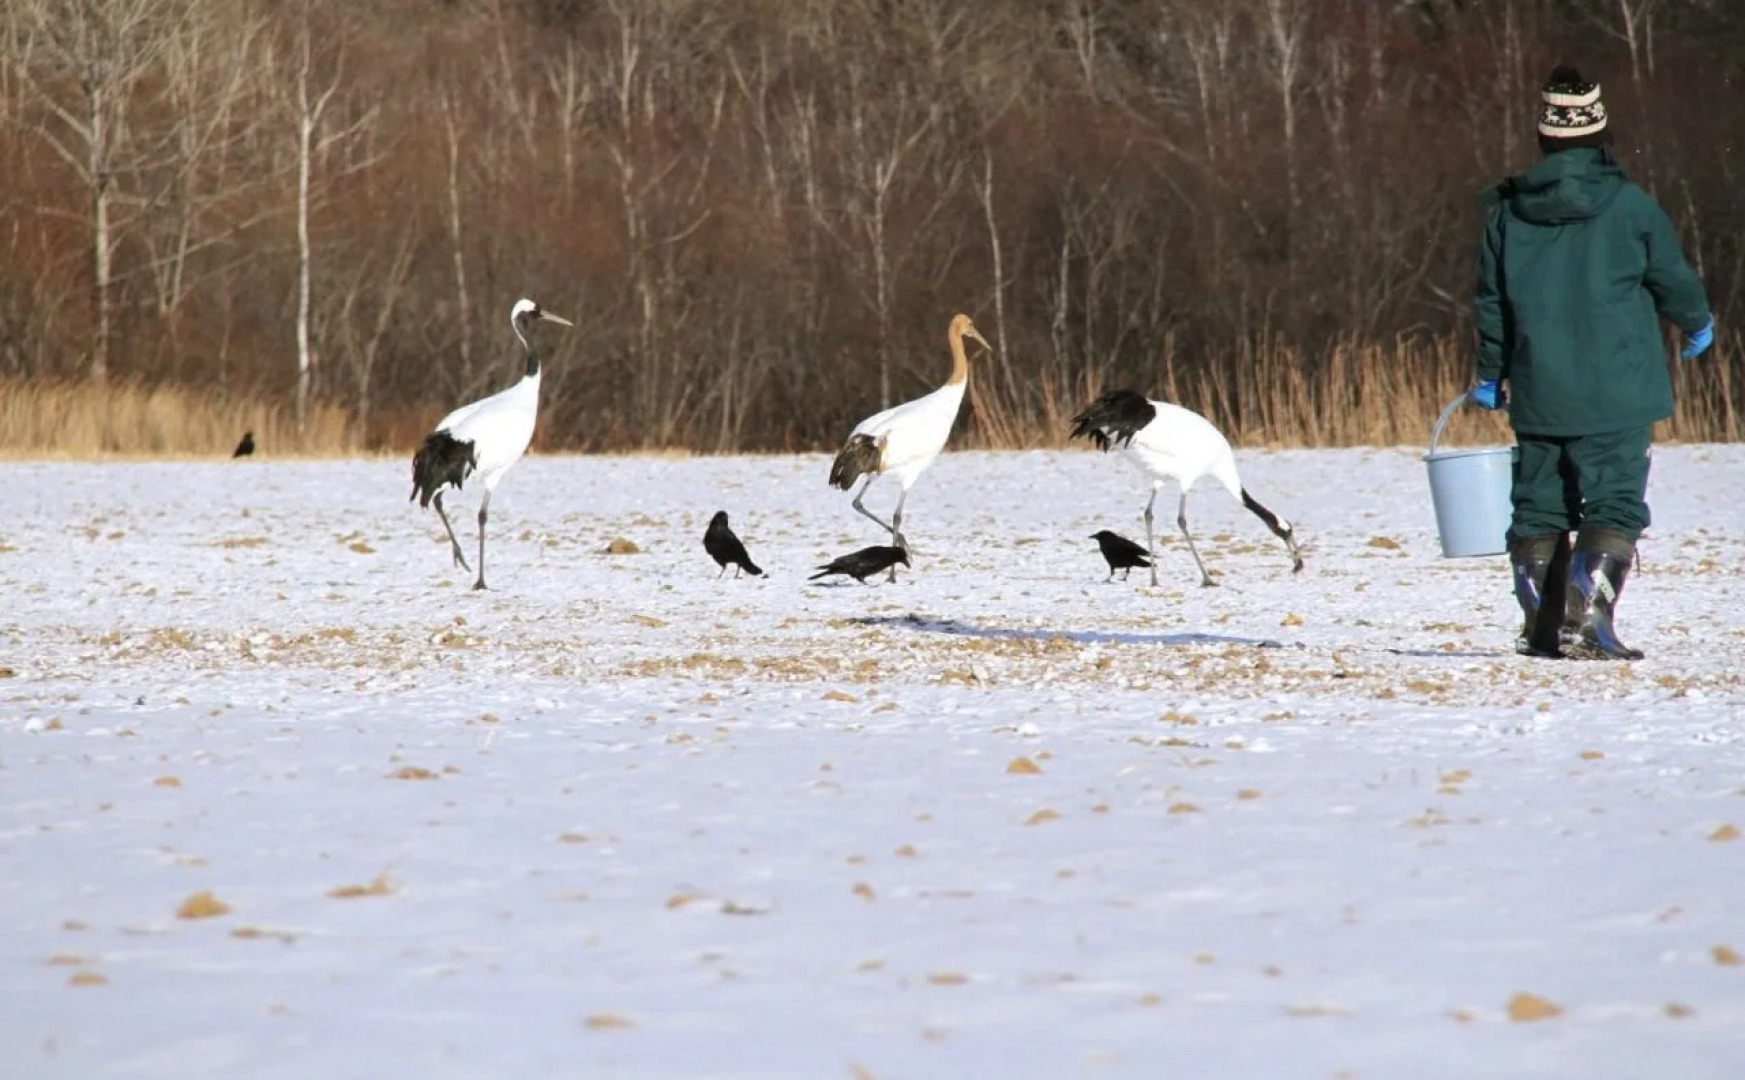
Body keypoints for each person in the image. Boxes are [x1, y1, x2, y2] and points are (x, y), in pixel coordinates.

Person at [1471, 65, 1713, 661]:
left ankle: (1543, 624)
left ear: (1544, 136)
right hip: (1617, 390)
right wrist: (1697, 321)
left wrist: (1490, 374)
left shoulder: (1507, 214)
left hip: (1539, 388)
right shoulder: (1630, 206)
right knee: (1612, 501)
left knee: (1539, 503)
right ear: (1599, 134)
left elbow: (1492, 304)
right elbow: (1672, 278)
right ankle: (1587, 623)